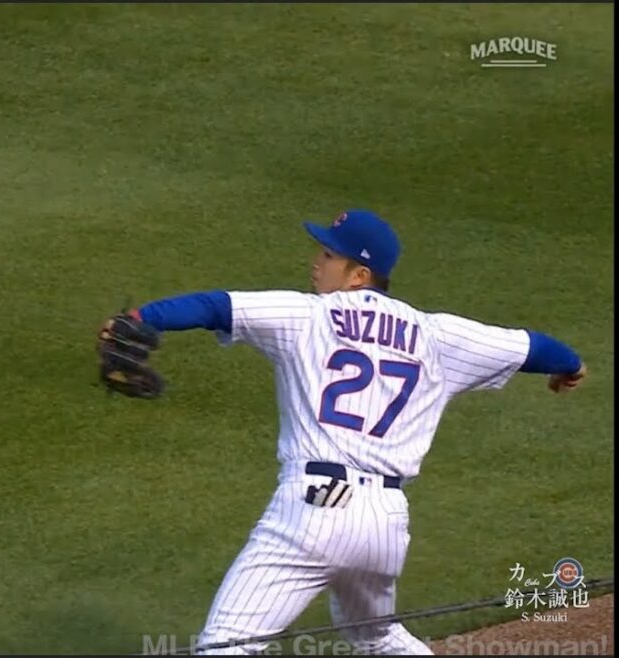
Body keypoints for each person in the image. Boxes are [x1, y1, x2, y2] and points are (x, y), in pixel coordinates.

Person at [95, 209, 587, 655]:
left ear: (359, 275)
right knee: (377, 637)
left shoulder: (307, 315)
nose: (316, 263)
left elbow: (214, 306)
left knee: (224, 648)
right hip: (385, 523)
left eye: (329, 255)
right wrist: (570, 366)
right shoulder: (436, 334)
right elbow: (533, 347)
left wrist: (142, 318)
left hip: (311, 513)